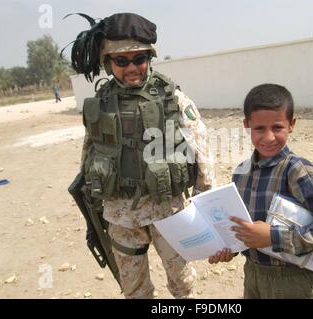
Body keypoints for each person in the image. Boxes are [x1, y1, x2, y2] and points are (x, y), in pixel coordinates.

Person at [68, 12, 215, 298]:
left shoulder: (173, 97)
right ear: (107, 63)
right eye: (122, 61)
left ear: (150, 57)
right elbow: (90, 150)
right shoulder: (100, 103)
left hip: (168, 210)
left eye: (139, 59)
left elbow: (201, 149)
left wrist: (204, 200)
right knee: (134, 289)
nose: (132, 67)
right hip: (121, 215)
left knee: (182, 284)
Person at [208, 83, 313, 299]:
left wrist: (274, 236)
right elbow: (245, 227)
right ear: (246, 126)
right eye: (259, 129)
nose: (269, 137)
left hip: (295, 281)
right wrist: (231, 248)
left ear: (291, 124)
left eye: (277, 127)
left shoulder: (298, 172)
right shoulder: (241, 173)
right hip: (254, 277)